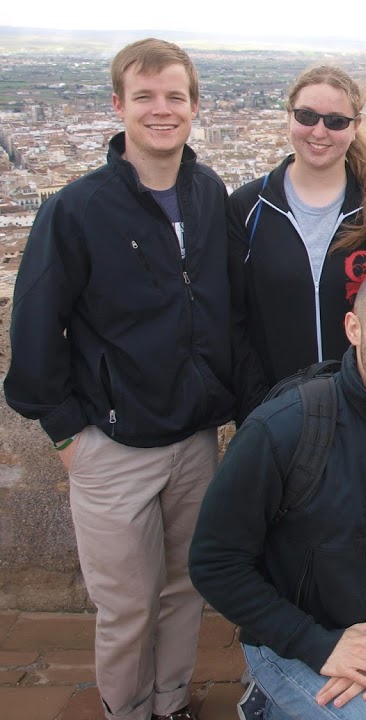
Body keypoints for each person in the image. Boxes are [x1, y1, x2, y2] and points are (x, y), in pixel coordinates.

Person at [2, 38, 259, 720]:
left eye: (175, 96)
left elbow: (225, 306)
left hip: (193, 439)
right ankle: (126, 710)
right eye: (145, 96)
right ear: (119, 106)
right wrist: (68, 436)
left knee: (183, 589)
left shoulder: (208, 193)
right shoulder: (77, 208)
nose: (161, 109)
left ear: (195, 106)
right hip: (111, 444)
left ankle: (171, 703)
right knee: (126, 605)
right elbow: (36, 325)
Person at [188, 265, 366, 720]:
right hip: (288, 642)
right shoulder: (285, 427)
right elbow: (215, 561)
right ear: (354, 328)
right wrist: (316, 644)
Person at [230, 65, 366, 387]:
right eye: (307, 116)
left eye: (335, 121)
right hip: (274, 405)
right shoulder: (248, 208)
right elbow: (233, 318)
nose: (319, 132)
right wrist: (256, 400)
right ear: (289, 116)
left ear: (355, 126)